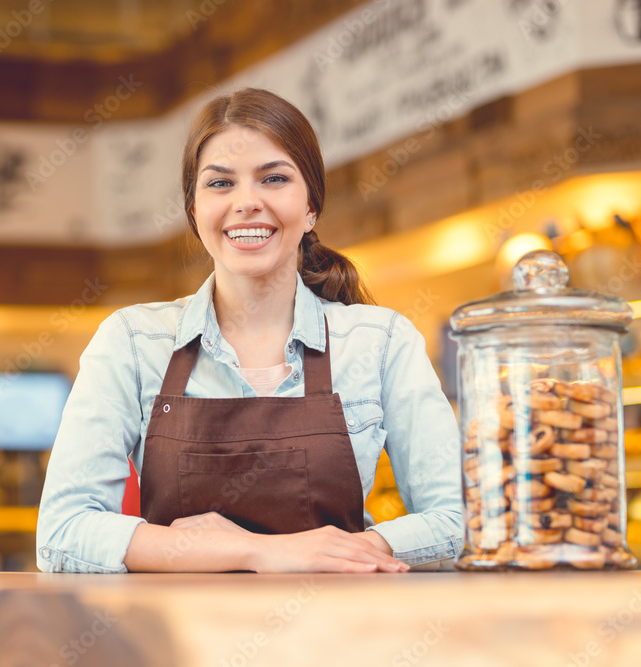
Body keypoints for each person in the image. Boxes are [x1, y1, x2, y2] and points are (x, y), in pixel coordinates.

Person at [36, 88, 462, 574]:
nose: (247, 203)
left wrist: (361, 551)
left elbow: (456, 520)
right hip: (179, 645)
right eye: (220, 184)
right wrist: (260, 551)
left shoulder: (381, 341)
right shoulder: (133, 342)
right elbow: (63, 534)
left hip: (338, 640)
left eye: (274, 178)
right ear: (195, 211)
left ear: (310, 207)